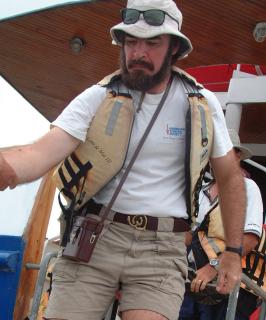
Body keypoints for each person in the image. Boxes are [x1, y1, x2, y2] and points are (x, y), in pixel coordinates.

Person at [0, 1, 246, 319]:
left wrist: (233, 252)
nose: (138, 53)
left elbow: (229, 177)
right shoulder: (97, 97)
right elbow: (38, 155)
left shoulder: (201, 104)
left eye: (152, 42)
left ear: (174, 48)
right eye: (131, 41)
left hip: (163, 247)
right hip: (95, 237)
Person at [179, 129, 263, 320]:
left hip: (226, 286)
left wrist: (212, 267)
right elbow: (187, 237)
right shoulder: (199, 191)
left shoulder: (248, 188)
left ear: (238, 155)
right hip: (191, 282)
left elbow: (250, 238)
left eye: (222, 152)